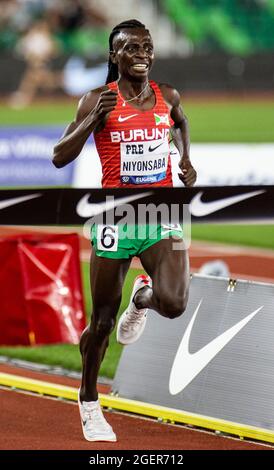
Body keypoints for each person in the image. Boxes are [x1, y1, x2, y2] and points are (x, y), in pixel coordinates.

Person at [52, 19, 196, 443]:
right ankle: (89, 401)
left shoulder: (167, 95)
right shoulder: (98, 100)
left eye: (147, 47)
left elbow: (181, 121)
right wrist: (89, 121)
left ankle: (142, 298)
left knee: (173, 302)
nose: (142, 54)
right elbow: (59, 157)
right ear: (114, 56)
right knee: (100, 324)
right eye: (131, 48)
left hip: (161, 211)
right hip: (115, 219)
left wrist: (186, 160)